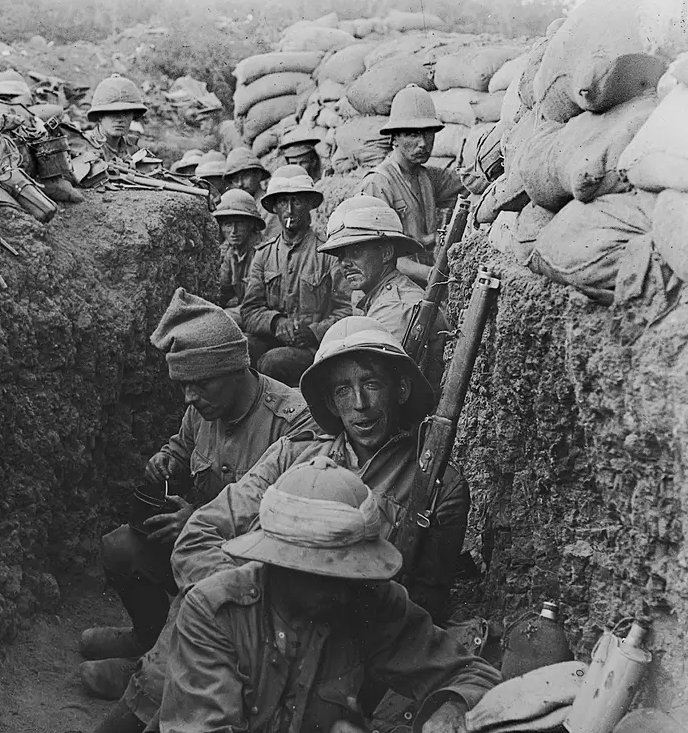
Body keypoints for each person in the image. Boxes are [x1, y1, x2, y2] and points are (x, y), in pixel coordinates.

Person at [98, 318, 470, 733]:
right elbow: (199, 536)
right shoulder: (293, 456)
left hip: (341, 650)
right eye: (343, 389)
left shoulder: (436, 483)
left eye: (372, 384)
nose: (360, 404)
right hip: (241, 635)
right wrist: (251, 602)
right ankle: (143, 659)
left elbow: (427, 602)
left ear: (400, 389)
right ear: (329, 401)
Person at [77, 288, 316, 699]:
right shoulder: (204, 406)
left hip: (254, 569)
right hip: (196, 543)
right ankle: (148, 641)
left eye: (201, 384)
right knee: (119, 548)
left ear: (236, 369)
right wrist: (167, 458)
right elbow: (184, 443)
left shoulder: (291, 422)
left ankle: (161, 676)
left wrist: (198, 520)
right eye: (184, 386)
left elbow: (287, 528)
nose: (190, 397)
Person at [159, 457, 500, 733]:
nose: (345, 587)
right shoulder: (215, 613)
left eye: (353, 570)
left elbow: (470, 674)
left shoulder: (369, 600)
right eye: (327, 574)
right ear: (279, 565)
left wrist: (454, 707)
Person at [318, 195, 451, 389]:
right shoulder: (380, 298)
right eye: (341, 255)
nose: (345, 263)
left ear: (386, 253)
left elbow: (374, 389)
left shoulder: (394, 309)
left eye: (356, 251)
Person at [238, 166, 352, 387]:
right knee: (239, 349)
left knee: (272, 363)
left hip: (314, 348)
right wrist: (276, 323)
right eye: (282, 202)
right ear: (275, 208)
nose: (289, 210)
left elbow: (348, 309)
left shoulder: (328, 254)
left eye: (297, 202)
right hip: (272, 339)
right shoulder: (264, 255)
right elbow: (249, 310)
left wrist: (313, 332)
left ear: (309, 204)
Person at [358, 85, 466, 285]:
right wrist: (433, 274)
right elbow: (376, 254)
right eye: (413, 134)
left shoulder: (429, 177)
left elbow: (470, 183)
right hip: (389, 286)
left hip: (425, 280)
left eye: (428, 133)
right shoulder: (378, 183)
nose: (423, 143)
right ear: (394, 138)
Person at [210, 190, 266, 313]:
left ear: (251, 224)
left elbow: (252, 306)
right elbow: (222, 292)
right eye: (228, 224)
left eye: (239, 224)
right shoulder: (232, 253)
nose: (233, 231)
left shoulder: (262, 253)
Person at [85, 74, 149, 166]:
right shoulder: (84, 146)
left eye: (126, 113)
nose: (120, 119)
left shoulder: (132, 149)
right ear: (99, 116)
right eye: (112, 112)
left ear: (133, 116)